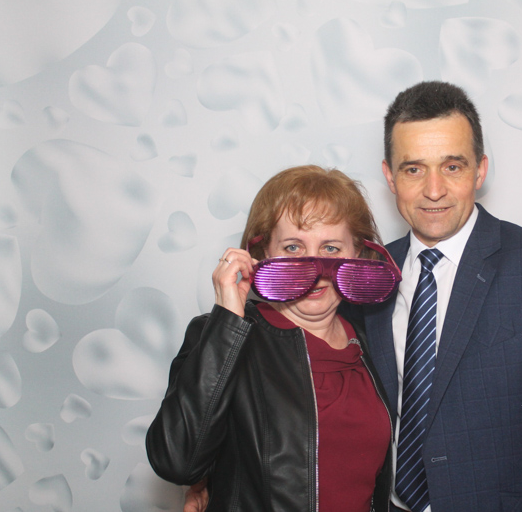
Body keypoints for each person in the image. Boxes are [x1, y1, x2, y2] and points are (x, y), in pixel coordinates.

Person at [362, 81, 522, 512]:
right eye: (413, 169)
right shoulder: (369, 275)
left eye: (452, 167)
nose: (433, 189)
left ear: (480, 171)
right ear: (390, 176)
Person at [146, 165, 396, 512]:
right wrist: (227, 321)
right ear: (262, 255)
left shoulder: (370, 342)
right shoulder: (224, 336)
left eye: (331, 248)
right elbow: (177, 461)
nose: (314, 269)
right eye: (293, 247)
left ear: (358, 254)